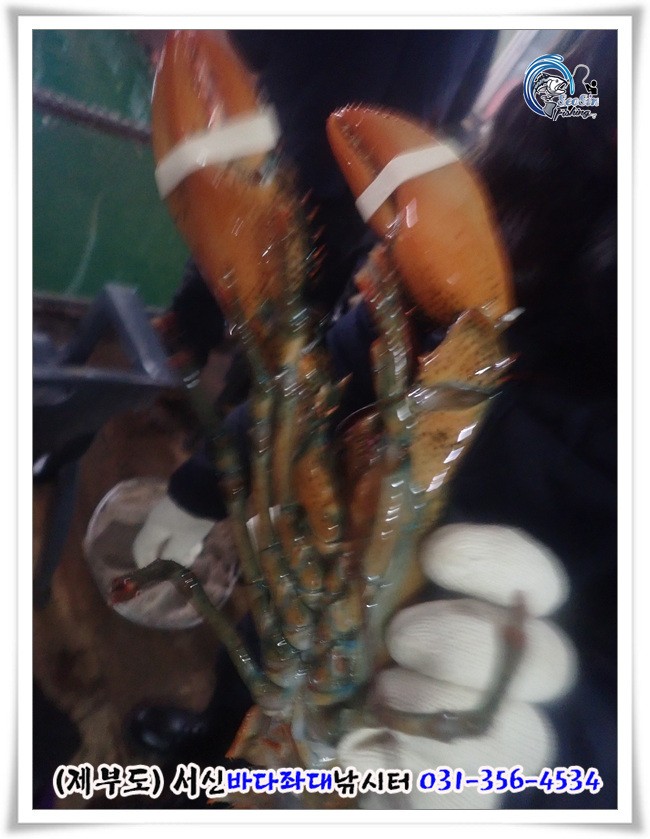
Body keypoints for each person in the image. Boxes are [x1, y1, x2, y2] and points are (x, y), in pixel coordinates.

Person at [127, 28, 617, 810]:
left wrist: (554, 759)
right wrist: (198, 486)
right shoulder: (537, 194)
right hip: (306, 603)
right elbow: (321, 366)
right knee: (249, 677)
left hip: (423, 735)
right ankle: (208, 751)